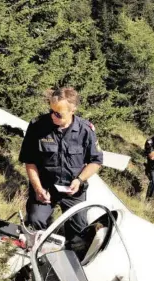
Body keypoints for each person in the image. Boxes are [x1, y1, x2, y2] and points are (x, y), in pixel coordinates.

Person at [18, 87, 103, 247]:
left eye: (58, 114)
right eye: (51, 110)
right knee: (35, 222)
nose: (53, 116)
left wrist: (79, 179)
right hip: (44, 188)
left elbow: (96, 161)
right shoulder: (38, 126)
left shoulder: (85, 130)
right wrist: (38, 189)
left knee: (79, 235)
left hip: (73, 191)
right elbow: (29, 161)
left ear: (72, 110)